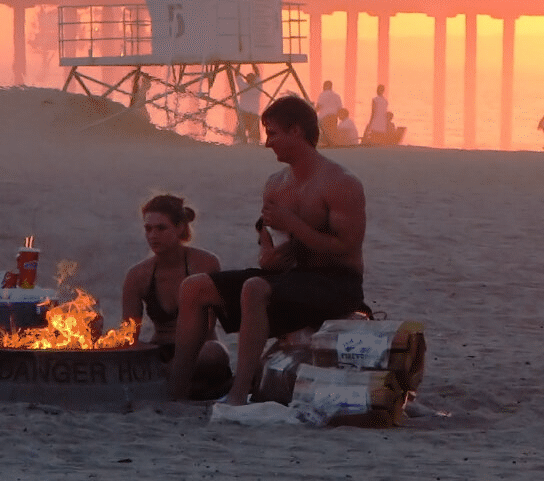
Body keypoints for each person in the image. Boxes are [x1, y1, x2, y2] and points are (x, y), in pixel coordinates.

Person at [168, 96, 368, 403]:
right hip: (291, 279)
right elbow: (267, 247)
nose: (267, 143)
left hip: (337, 283)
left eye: (273, 133)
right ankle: (175, 391)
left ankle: (239, 393)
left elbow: (346, 248)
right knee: (194, 287)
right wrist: (269, 258)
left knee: (254, 288)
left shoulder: (340, 183)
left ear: (297, 131)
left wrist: (296, 225)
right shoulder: (275, 184)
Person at [120, 194, 228, 396]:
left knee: (214, 352)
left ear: (179, 228)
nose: (153, 236)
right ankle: (169, 377)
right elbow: (129, 337)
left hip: (200, 351)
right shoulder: (137, 276)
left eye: (161, 228)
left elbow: (211, 322)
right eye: (148, 229)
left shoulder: (204, 264)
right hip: (160, 350)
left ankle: (168, 378)